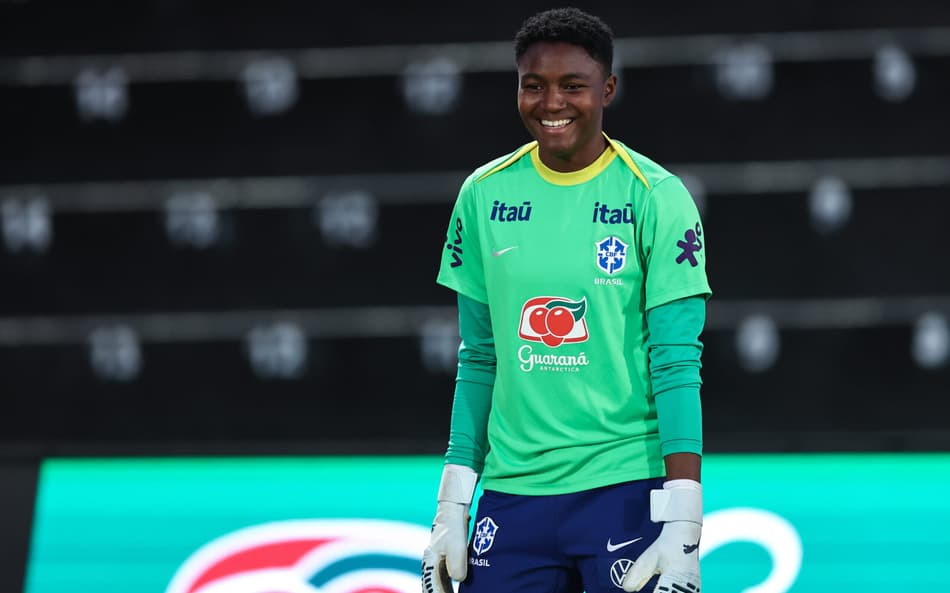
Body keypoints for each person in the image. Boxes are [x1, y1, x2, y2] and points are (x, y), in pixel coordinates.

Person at [422, 7, 710, 593]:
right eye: (534, 86)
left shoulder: (655, 195)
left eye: (573, 86)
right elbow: (479, 356)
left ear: (607, 88)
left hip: (625, 489)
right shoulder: (482, 195)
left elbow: (677, 362)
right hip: (513, 494)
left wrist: (684, 522)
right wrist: (451, 506)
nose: (552, 103)